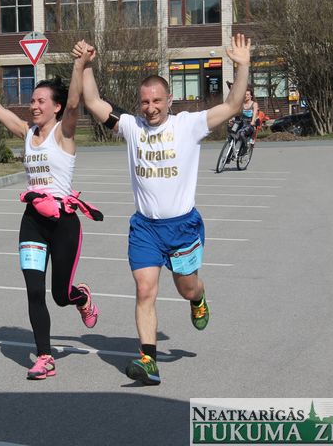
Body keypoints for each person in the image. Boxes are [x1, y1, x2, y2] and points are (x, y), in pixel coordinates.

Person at [72, 34, 252, 385]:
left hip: (182, 227)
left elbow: (232, 106)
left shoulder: (188, 125)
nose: (150, 107)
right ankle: (148, 360)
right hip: (146, 228)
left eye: (156, 101)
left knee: (187, 288)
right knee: (144, 290)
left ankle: (198, 299)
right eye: (144, 102)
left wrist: (242, 66)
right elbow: (93, 101)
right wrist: (88, 65)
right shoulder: (131, 127)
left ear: (169, 100)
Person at [0, 50, 102, 380]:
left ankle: (81, 297)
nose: (34, 106)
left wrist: (79, 64)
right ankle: (44, 356)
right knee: (35, 291)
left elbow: (74, 103)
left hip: (64, 223)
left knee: (60, 295)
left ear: (55, 107)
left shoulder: (64, 133)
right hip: (33, 222)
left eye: (41, 101)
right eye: (32, 101)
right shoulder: (27, 132)